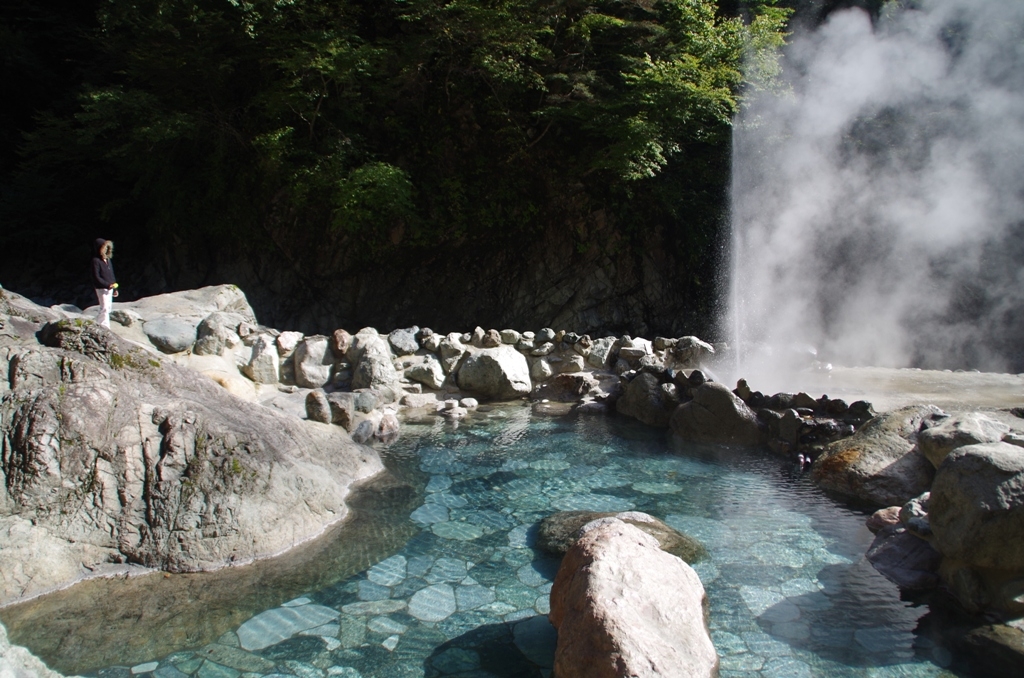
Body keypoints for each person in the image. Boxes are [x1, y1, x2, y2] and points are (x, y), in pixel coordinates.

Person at [91, 238, 118, 328]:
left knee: (108, 308)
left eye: (107, 247)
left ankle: (103, 325)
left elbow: (111, 275)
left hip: (110, 288)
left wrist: (114, 288)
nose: (106, 249)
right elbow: (96, 277)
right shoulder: (96, 261)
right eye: (104, 247)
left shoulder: (107, 260)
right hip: (101, 288)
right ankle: (102, 326)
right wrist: (107, 285)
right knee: (104, 308)